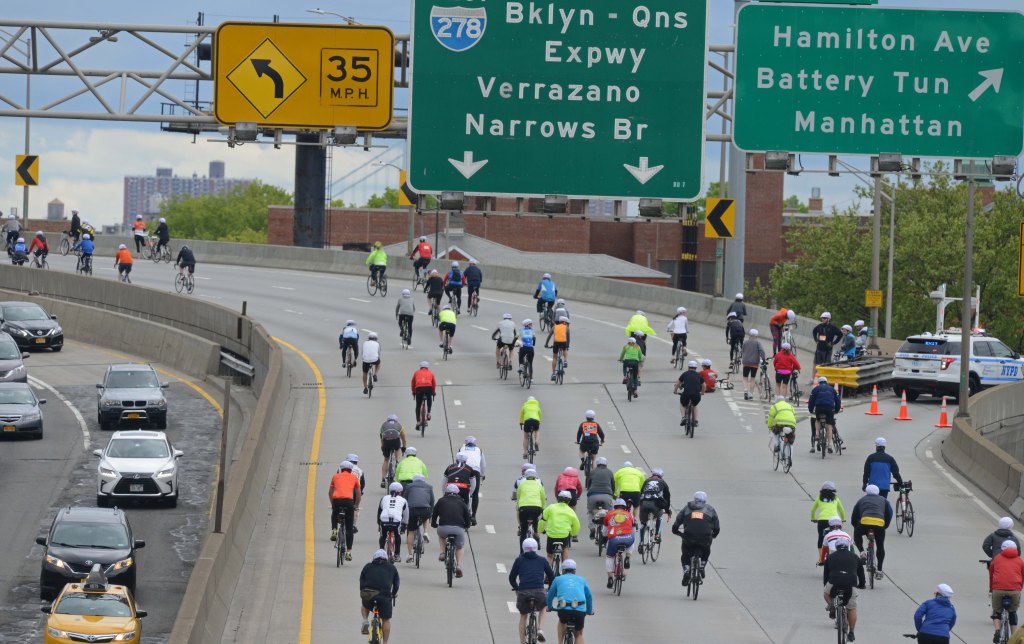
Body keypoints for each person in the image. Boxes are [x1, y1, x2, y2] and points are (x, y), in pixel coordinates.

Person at [509, 538, 554, 644]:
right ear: (536, 548)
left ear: (523, 548)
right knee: (543, 606)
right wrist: (549, 588)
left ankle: (521, 641)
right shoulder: (542, 560)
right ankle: (540, 629)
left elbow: (511, 578)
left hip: (523, 592)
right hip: (539, 592)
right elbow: (552, 576)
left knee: (523, 615)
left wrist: (517, 587)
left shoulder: (519, 560)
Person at [672, 491, 720, 585]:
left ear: (694, 499)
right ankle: (702, 566)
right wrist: (714, 534)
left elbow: (678, 520)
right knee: (706, 550)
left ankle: (686, 571)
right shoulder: (710, 509)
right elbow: (717, 525)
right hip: (705, 536)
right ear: (705, 500)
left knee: (686, 554)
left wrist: (675, 530)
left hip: (689, 536)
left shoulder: (687, 508)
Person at [822, 537, 865, 642]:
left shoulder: (830, 557)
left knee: (826, 593)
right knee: (851, 608)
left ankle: (832, 605)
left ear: (836, 547)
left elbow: (826, 575)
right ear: (848, 547)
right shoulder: (855, 557)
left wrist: (826, 585)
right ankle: (851, 632)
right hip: (850, 585)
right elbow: (861, 574)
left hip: (834, 583)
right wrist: (861, 584)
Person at [851, 484, 893, 580]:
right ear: (878, 492)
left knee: (857, 535)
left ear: (867, 492)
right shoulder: (884, 500)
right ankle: (879, 570)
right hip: (879, 523)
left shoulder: (861, 500)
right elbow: (889, 513)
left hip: (865, 522)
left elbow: (855, 515)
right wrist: (885, 525)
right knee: (880, 545)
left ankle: (862, 552)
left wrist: (856, 527)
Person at [546, 559, 593, 644]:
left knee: (562, 622)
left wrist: (549, 607)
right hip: (579, 611)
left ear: (563, 570)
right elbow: (589, 596)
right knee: (578, 634)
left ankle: (560, 642)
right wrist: (589, 611)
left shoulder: (557, 579)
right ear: (575, 570)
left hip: (564, 610)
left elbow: (550, 594)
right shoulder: (582, 580)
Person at [432, 483, 472, 578]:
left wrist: (434, 523)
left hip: (443, 527)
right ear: (457, 493)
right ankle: (458, 565)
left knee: (441, 536)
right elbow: (467, 516)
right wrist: (467, 525)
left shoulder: (441, 501)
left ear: (446, 493)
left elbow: (434, 513)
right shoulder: (462, 502)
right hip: (458, 528)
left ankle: (442, 552)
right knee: (460, 547)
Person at [359, 549, 400, 642]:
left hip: (368, 594)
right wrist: (393, 593)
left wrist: (363, 591)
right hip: (384, 596)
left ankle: (365, 620)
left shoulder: (367, 566)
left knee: (364, 606)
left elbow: (361, 582)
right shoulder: (392, 568)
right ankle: (385, 642)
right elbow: (397, 583)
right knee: (385, 620)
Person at [992, 541, 1024, 642]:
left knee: (996, 610)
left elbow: (991, 574)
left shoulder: (996, 559)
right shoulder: (1020, 560)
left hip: (998, 589)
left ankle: (997, 631)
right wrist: (1019, 588)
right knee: (1013, 612)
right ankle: (1014, 637)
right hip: (1015, 590)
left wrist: (991, 588)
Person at [329, 461, 362, 558]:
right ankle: (348, 552)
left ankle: (334, 530)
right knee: (349, 528)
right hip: (348, 502)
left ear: (341, 469)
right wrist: (356, 505)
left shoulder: (335, 476)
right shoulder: (354, 477)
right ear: (351, 470)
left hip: (337, 500)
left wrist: (333, 504)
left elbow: (330, 492)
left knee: (334, 513)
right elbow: (358, 494)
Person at [539, 491, 581, 566]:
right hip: (564, 535)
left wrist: (541, 530)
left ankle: (547, 576)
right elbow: (577, 525)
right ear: (569, 501)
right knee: (565, 548)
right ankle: (565, 566)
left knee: (549, 556)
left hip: (552, 535)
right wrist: (572, 533)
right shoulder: (570, 511)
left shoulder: (550, 507)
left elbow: (542, 521)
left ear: (557, 499)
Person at [601, 498, 636, 586]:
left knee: (609, 557)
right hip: (628, 538)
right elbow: (633, 530)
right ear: (624, 507)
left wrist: (605, 539)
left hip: (614, 539)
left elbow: (604, 531)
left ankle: (610, 578)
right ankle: (627, 557)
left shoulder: (609, 514)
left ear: (614, 507)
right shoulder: (629, 514)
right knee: (632, 541)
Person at [811, 481, 846, 565]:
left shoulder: (819, 498)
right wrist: (843, 519)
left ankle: (821, 558)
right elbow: (841, 510)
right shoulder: (836, 498)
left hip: (822, 520)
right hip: (834, 520)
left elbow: (813, 510)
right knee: (837, 536)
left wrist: (813, 518)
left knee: (821, 537)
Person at [403, 473, 434, 562]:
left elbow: (405, 500)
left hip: (412, 510)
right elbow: (432, 501)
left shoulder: (409, 486)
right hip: (425, 509)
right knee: (426, 517)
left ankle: (409, 554)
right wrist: (430, 513)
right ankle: (425, 532)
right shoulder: (429, 487)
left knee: (411, 531)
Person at [638, 468, 672, 546]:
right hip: (655, 504)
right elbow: (667, 497)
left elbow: (641, 492)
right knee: (659, 517)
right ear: (661, 476)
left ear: (652, 474)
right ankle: (657, 535)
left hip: (644, 504)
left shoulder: (646, 481)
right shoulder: (662, 482)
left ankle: (641, 542)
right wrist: (667, 510)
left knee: (643, 523)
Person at [808, 376, 841, 453]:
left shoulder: (815, 389)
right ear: (826, 382)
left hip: (819, 407)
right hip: (829, 408)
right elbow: (838, 401)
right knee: (829, 425)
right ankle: (829, 444)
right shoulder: (832, 389)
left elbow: (811, 401)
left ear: (819, 383)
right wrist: (836, 410)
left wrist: (811, 410)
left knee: (818, 420)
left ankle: (817, 435)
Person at [458, 436, 486, 524]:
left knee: (460, 490)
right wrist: (482, 475)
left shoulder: (461, 448)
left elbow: (457, 460)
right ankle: (473, 516)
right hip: (475, 470)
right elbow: (483, 465)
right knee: (475, 494)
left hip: (464, 469)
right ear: (474, 443)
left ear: (466, 443)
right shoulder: (479, 450)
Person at [377, 483, 409, 561]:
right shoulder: (403, 500)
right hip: (396, 520)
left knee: (383, 536)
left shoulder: (384, 498)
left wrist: (379, 522)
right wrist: (405, 524)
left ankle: (381, 551)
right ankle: (397, 555)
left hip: (384, 519)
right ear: (400, 492)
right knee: (397, 535)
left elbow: (379, 511)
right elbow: (406, 514)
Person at [516, 469, 546, 547]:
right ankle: (536, 534)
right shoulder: (539, 485)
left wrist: (518, 508)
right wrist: (543, 508)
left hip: (524, 508)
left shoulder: (522, 484)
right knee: (535, 520)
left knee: (523, 531)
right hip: (536, 508)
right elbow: (543, 497)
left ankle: (522, 552)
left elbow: (518, 497)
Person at [586, 457, 615, 539]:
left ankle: (592, 528)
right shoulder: (609, 472)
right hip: (606, 495)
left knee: (590, 512)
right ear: (606, 464)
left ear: (597, 464)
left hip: (593, 495)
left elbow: (588, 485)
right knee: (610, 513)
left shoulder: (592, 471)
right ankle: (609, 530)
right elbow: (613, 485)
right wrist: (612, 494)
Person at [379, 414, 407, 487]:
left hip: (386, 442)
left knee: (386, 460)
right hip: (395, 441)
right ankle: (397, 462)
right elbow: (403, 439)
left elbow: (382, 437)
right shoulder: (399, 425)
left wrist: (382, 447)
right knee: (397, 449)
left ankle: (383, 479)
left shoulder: (383, 425)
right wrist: (404, 447)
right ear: (396, 420)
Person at [674, 361, 705, 426]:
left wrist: (675, 391)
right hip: (696, 395)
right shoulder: (698, 375)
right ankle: (695, 420)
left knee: (682, 404)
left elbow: (677, 384)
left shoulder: (684, 374)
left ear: (688, 367)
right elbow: (704, 385)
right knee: (695, 405)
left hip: (686, 394)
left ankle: (683, 418)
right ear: (696, 368)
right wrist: (702, 393)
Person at [741, 328, 766, 401]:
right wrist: (763, 359)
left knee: (745, 378)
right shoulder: (758, 343)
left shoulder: (745, 342)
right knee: (752, 378)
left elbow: (742, 351)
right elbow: (762, 351)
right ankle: (751, 394)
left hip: (746, 362)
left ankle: (745, 390)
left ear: (749, 335)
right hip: (754, 363)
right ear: (756, 335)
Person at [547, 316, 570, 380]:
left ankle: (554, 374)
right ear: (564, 322)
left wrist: (546, 344)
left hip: (556, 343)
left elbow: (549, 336)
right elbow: (568, 338)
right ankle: (565, 360)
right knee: (565, 349)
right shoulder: (566, 328)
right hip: (563, 342)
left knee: (554, 358)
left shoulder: (554, 326)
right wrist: (567, 346)